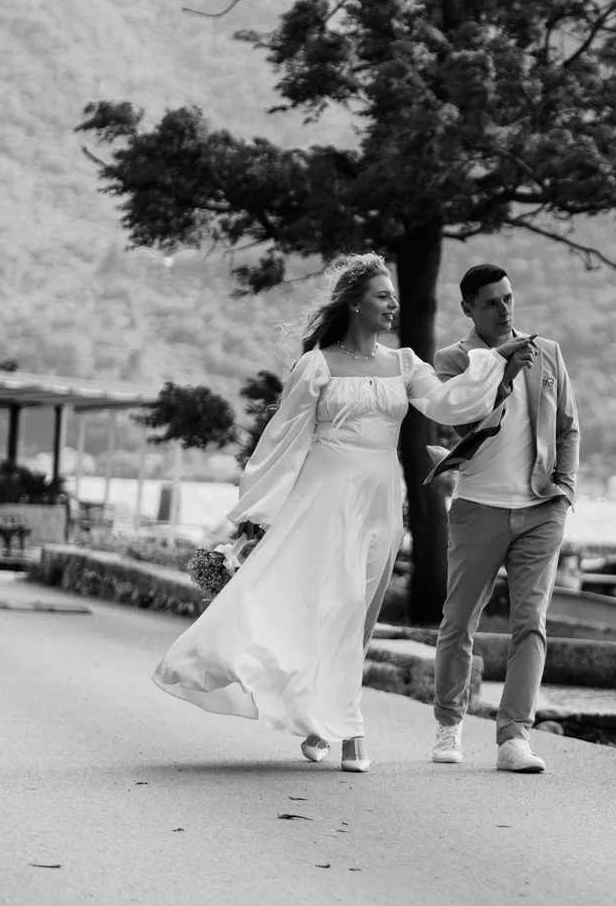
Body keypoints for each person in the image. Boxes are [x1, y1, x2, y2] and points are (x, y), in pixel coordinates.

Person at [151, 253, 533, 772]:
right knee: (333, 606)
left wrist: (494, 362)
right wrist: (255, 515)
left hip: (381, 500)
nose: (393, 305)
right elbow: (282, 441)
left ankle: (322, 721)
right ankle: (350, 731)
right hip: (323, 500)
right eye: (382, 295)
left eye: (394, 296)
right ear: (354, 303)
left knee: (359, 614)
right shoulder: (317, 365)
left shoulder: (405, 364)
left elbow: (449, 405)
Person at [427, 263, 579, 774]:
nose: (504, 309)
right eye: (491, 302)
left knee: (531, 623)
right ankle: (449, 723)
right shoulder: (451, 361)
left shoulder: (547, 352)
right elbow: (462, 426)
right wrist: (501, 372)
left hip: (541, 509)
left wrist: (565, 490)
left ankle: (515, 736)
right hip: (478, 507)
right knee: (458, 620)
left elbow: (568, 427)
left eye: (508, 297)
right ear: (468, 308)